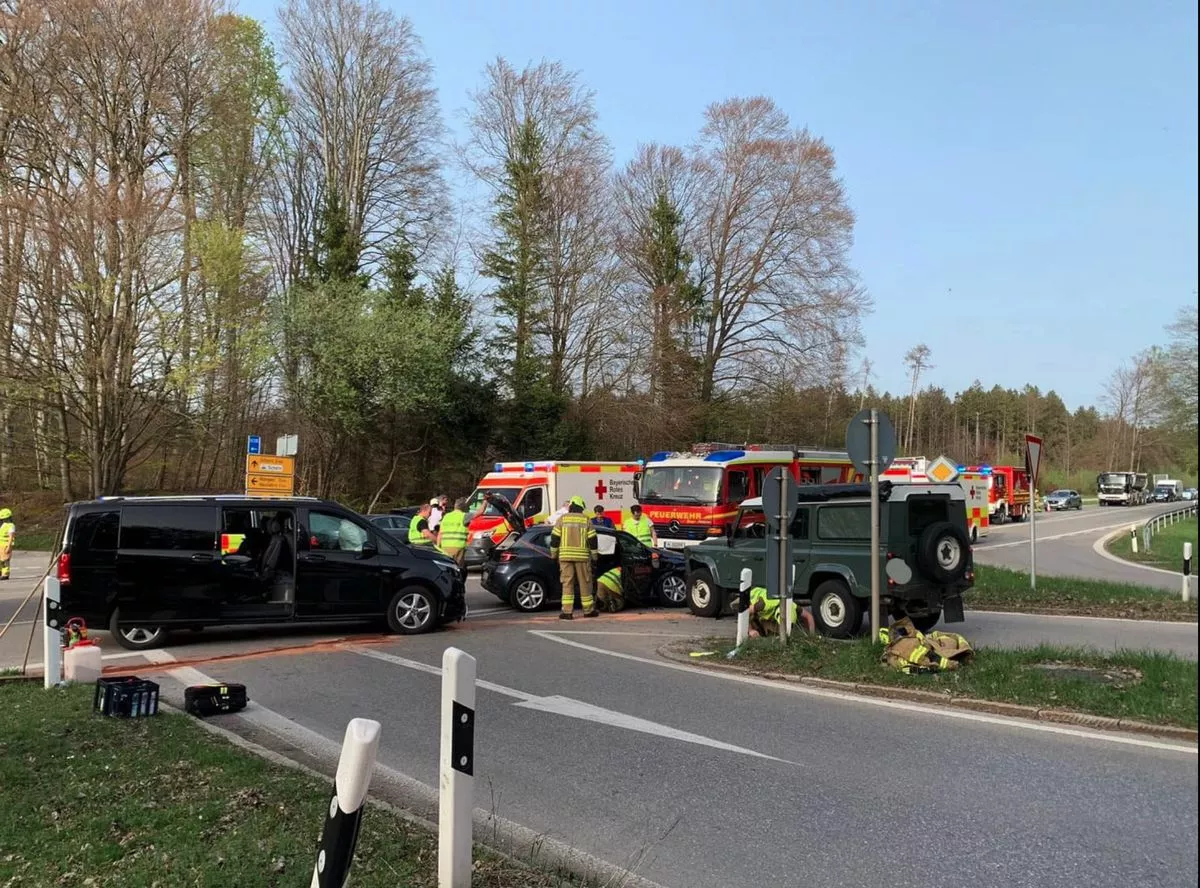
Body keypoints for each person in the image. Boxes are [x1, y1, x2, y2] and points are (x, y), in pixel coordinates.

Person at [550, 495, 598, 620]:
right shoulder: (586, 519)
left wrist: (553, 554)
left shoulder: (562, 519)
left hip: (565, 557)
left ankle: (567, 612)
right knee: (585, 584)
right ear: (581, 507)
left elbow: (555, 539)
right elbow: (593, 540)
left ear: (571, 506)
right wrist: (594, 556)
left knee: (567, 583)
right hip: (582, 557)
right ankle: (588, 611)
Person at [746, 586, 815, 637]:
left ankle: (766, 633)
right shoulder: (762, 605)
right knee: (753, 622)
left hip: (764, 605)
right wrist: (750, 630)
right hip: (750, 598)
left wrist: (811, 635)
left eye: (791, 626)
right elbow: (746, 612)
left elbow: (808, 616)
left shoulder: (792, 605)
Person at [437, 497, 471, 568]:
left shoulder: (446, 516)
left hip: (445, 547)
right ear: (464, 507)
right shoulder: (464, 516)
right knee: (458, 568)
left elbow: (440, 533)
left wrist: (438, 546)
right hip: (458, 547)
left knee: (447, 567)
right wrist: (485, 501)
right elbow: (480, 512)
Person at [0, 507, 13, 581]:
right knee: (1, 560)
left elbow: (11, 536)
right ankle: (1, 572)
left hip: (5, 545)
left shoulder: (10, 526)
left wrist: (9, 546)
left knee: (5, 560)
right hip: (1, 545)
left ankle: (5, 574)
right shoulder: (3, 526)